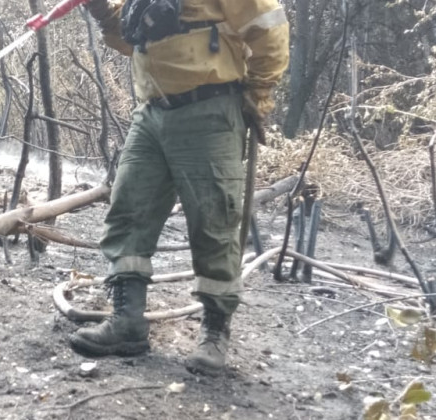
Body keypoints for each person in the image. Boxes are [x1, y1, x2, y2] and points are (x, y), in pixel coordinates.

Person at [71, 0, 289, 376]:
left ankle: (215, 333)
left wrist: (259, 91)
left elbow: (269, 28)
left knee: (213, 223)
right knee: (128, 211)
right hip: (152, 114)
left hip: (210, 110)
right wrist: (102, 11)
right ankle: (127, 323)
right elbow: (134, 37)